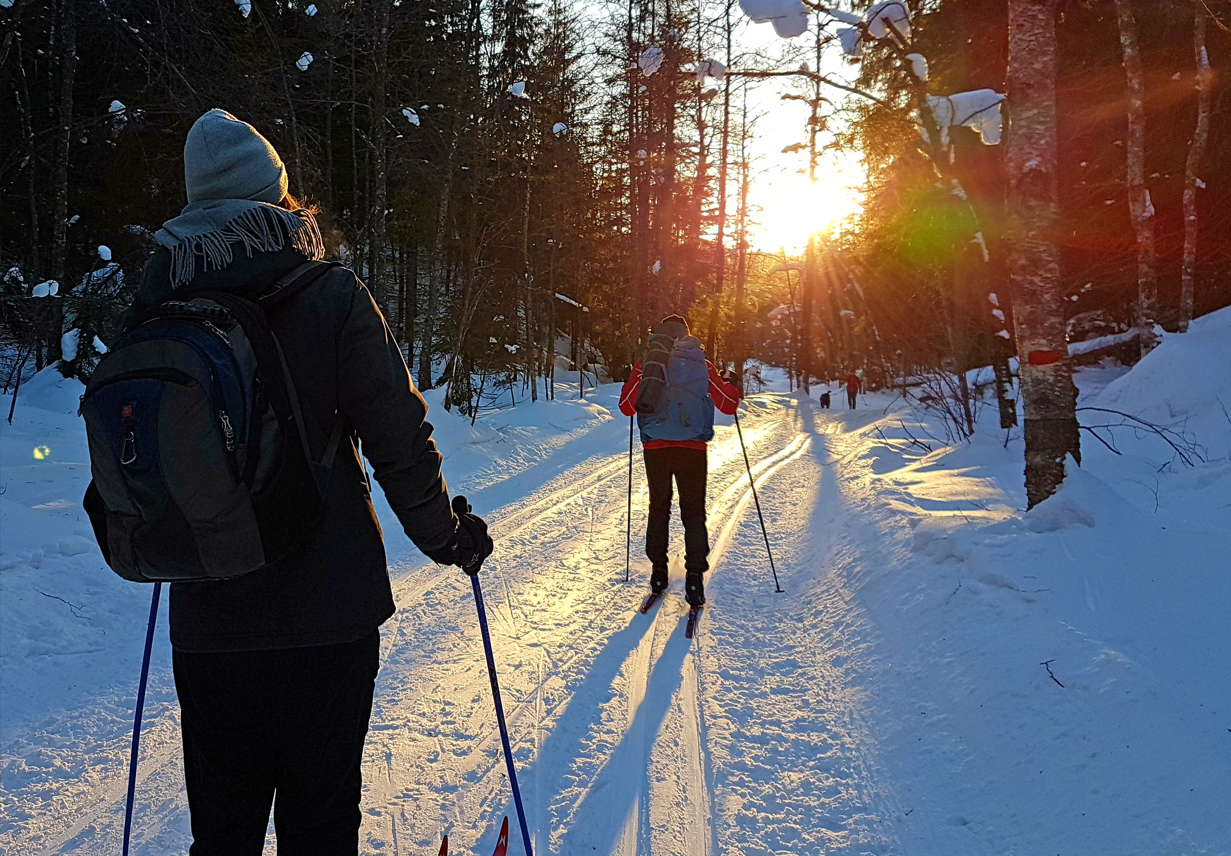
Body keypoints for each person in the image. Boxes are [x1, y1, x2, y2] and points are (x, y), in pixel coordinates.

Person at [124, 109, 492, 854]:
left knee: (222, 832)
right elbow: (396, 437)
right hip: (327, 608)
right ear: (277, 197)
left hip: (208, 608)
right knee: (319, 825)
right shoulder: (329, 293)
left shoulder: (157, 303)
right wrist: (448, 538)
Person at [618, 315, 741, 607]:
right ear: (686, 335)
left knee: (658, 508)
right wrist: (730, 383)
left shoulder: (648, 364)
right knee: (693, 512)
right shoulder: (700, 363)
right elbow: (728, 403)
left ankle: (658, 573)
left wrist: (634, 379)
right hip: (693, 449)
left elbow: (626, 408)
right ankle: (695, 580)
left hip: (656, 449)